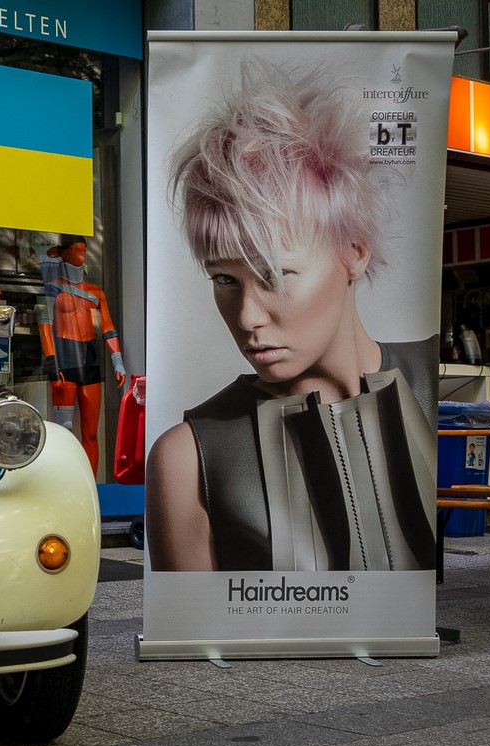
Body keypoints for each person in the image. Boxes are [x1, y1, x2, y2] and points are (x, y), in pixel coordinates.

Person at [145, 61, 438, 572]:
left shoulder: (433, 384)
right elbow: (194, 645)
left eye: (275, 275)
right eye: (224, 279)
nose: (248, 316)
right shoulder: (190, 458)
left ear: (355, 252)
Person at [38, 235, 126, 473]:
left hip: (89, 357)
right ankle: (64, 483)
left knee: (90, 432)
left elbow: (108, 327)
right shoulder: (52, 288)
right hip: (64, 356)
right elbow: (44, 325)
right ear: (61, 253)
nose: (82, 255)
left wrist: (117, 360)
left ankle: (92, 485)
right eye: (77, 250)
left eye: (84, 251)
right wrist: (51, 363)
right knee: (63, 429)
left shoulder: (96, 291)